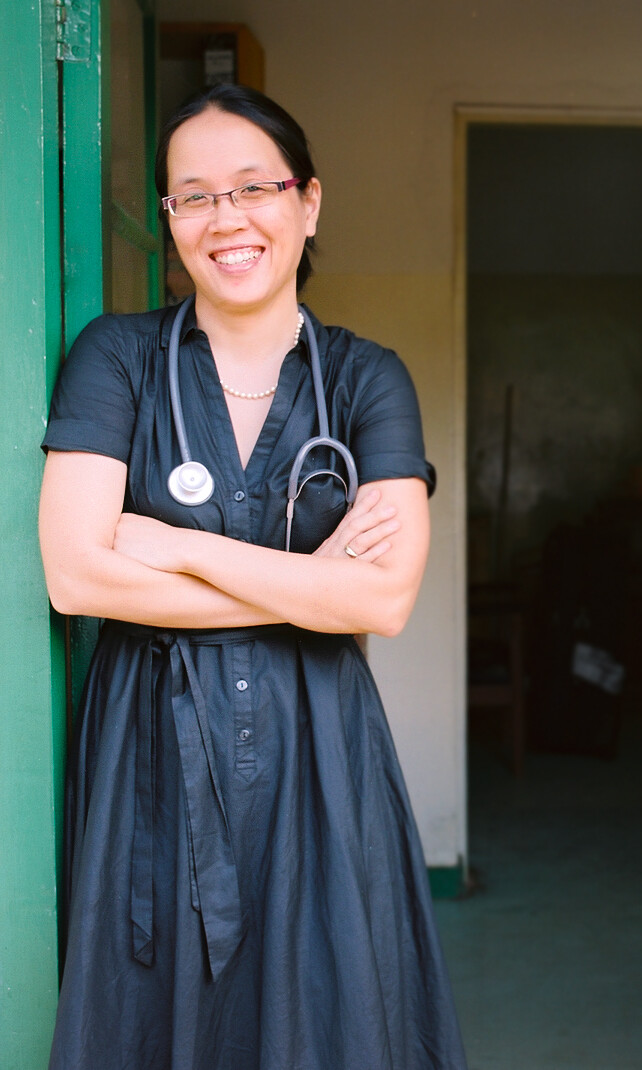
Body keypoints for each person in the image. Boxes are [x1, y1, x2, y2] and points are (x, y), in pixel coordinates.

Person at [38, 84, 468, 1069]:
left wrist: (175, 543)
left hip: (320, 754)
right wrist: (304, 584)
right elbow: (74, 574)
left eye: (252, 187)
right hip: (149, 758)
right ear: (169, 221)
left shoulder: (368, 380)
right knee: (149, 1020)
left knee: (325, 1019)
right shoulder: (117, 358)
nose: (225, 218)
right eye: (192, 196)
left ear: (307, 202)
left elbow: (383, 597)